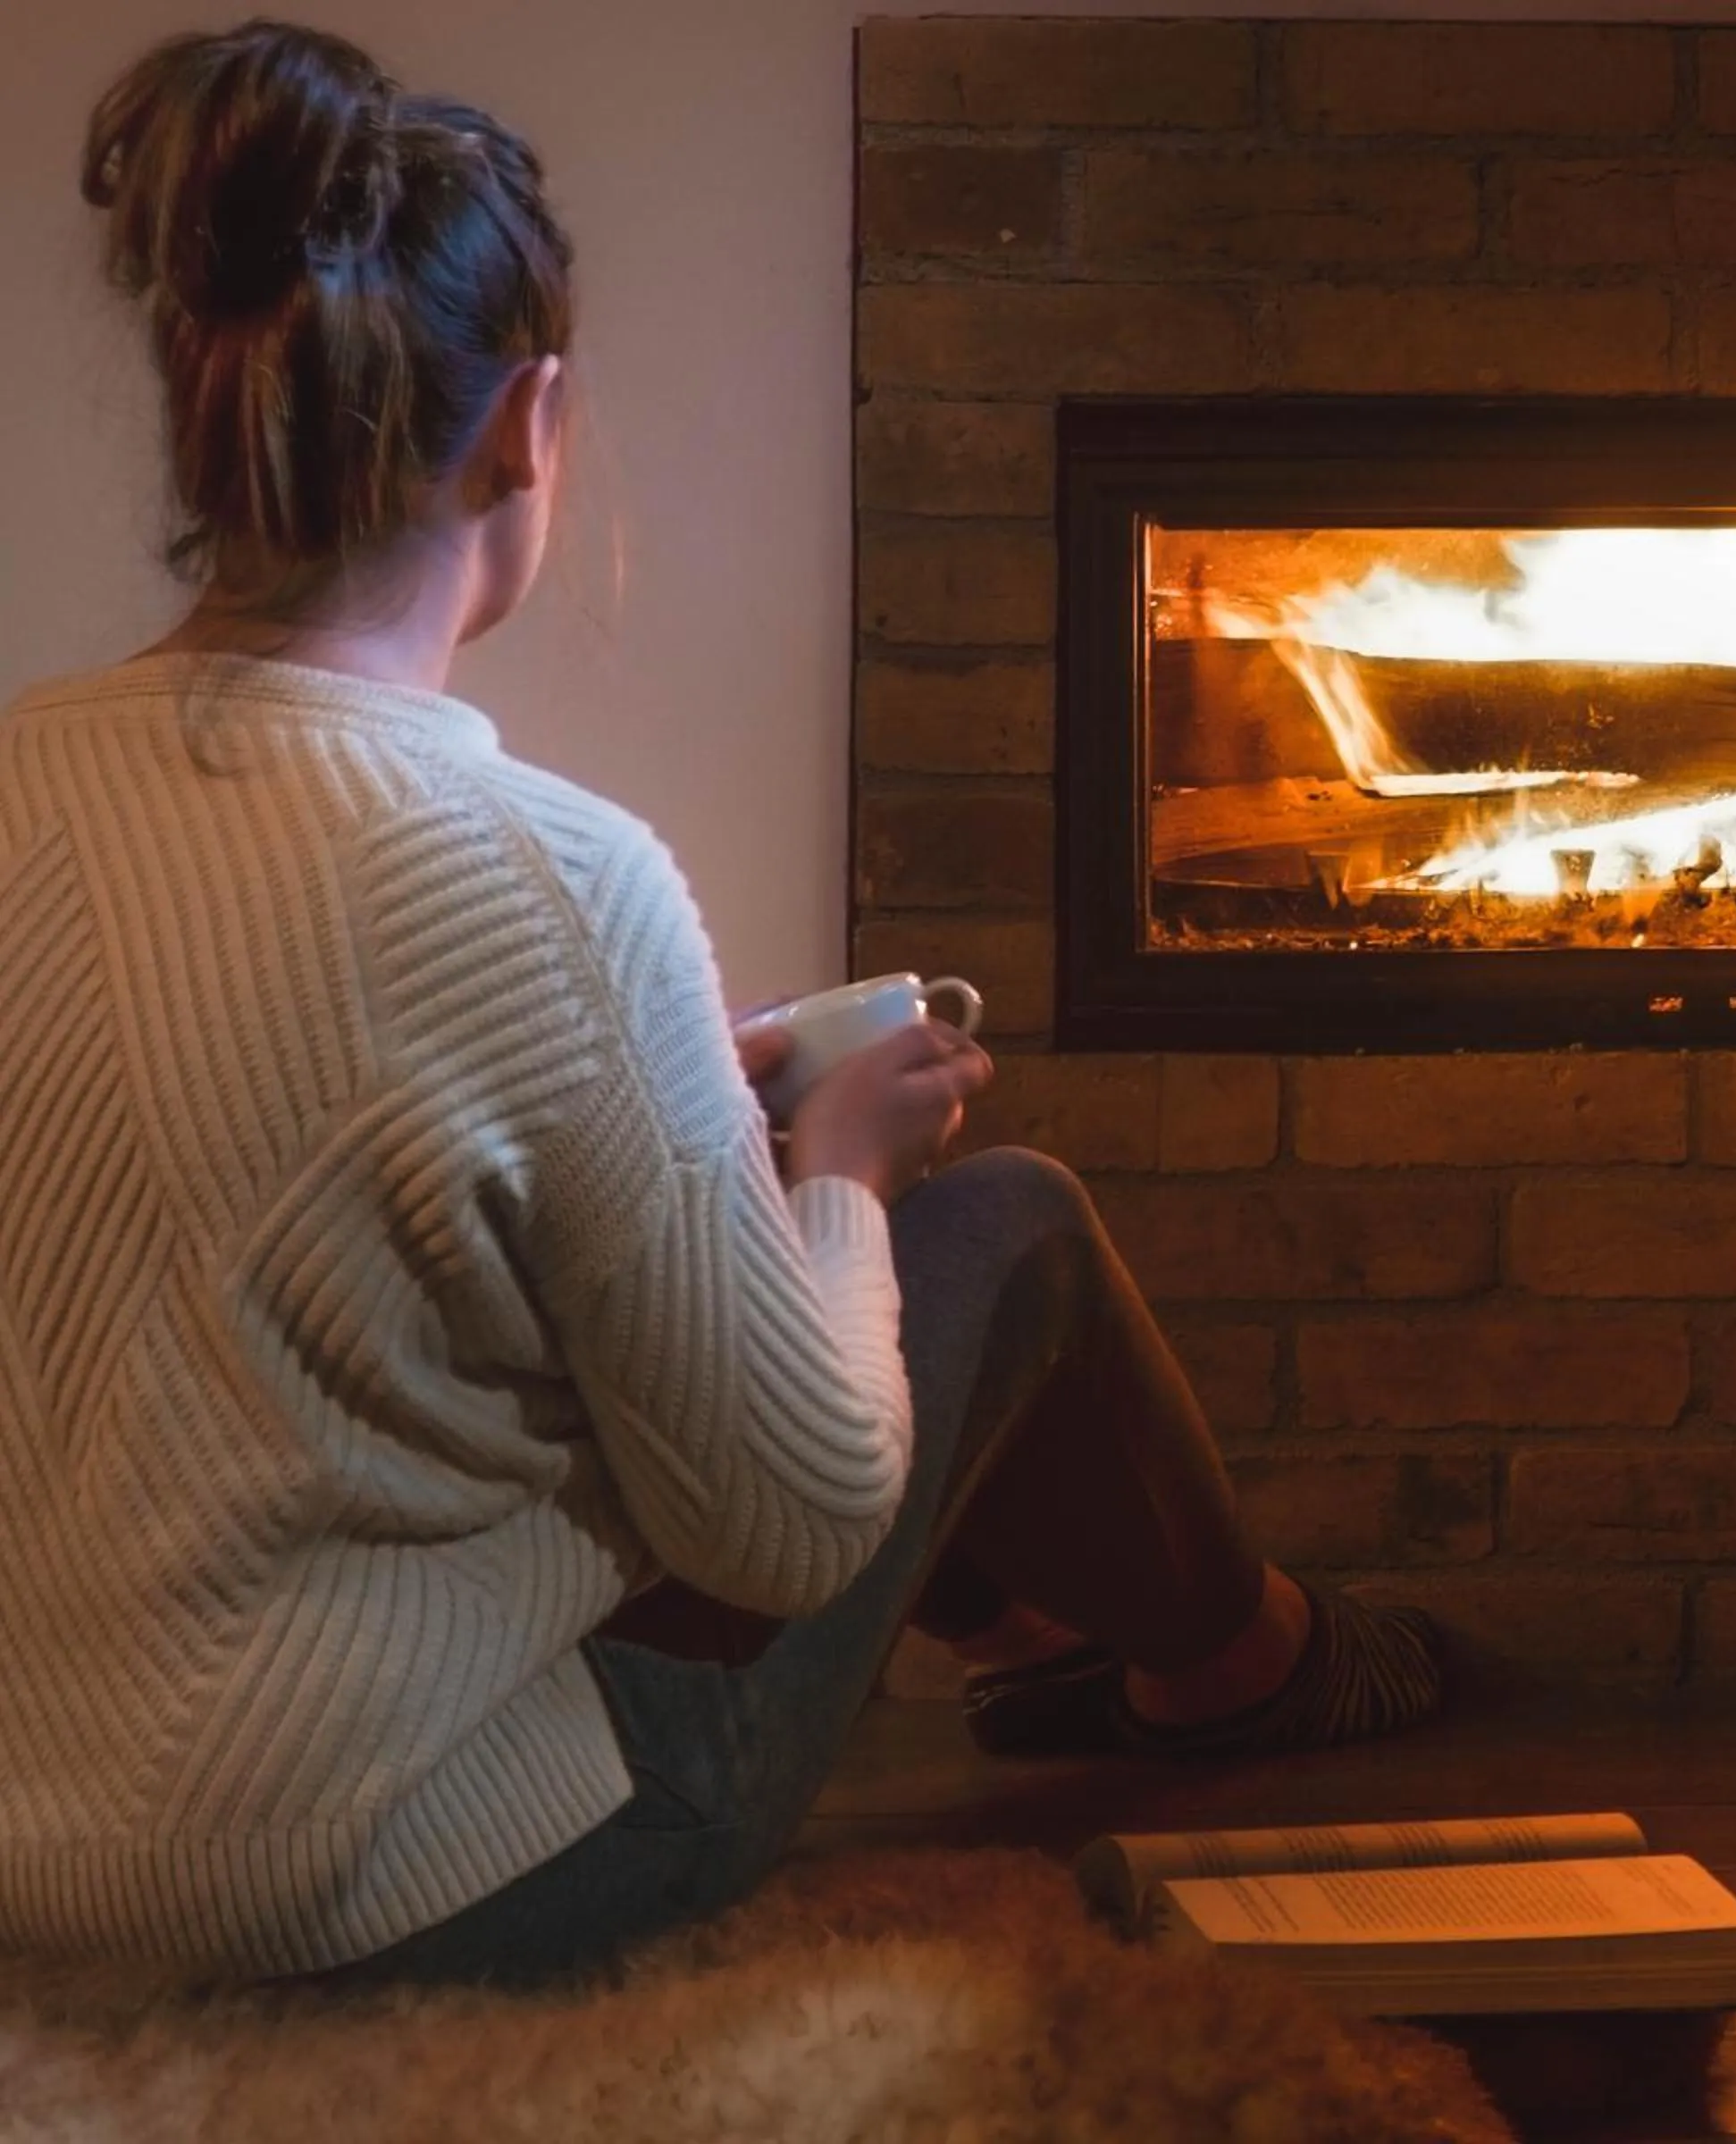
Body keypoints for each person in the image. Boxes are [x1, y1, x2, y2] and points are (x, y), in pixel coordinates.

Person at [0, 19, 1440, 1991]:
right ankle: (1244, 1666)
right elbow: (785, 1524)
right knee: (1009, 1227)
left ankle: (1057, 1639)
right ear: (530, 425)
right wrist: (838, 1174)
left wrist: (675, 1100)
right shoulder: (555, 876)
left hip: (28, 1854)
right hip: (389, 1882)